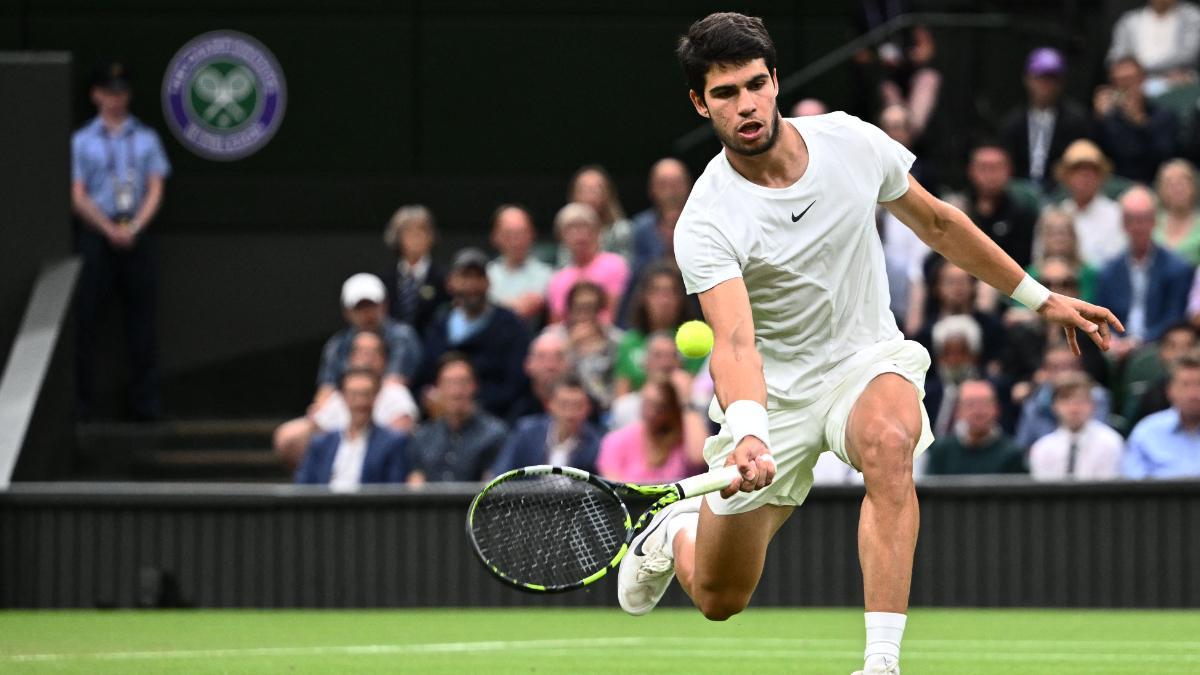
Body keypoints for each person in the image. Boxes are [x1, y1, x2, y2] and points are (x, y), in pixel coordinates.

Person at [617, 13, 1121, 675]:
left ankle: (880, 663)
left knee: (890, 444)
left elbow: (940, 223)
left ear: (775, 81)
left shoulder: (850, 142)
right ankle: (673, 530)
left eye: (755, 84)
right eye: (724, 93)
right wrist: (747, 430)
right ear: (699, 102)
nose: (746, 105)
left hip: (867, 358)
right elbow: (736, 342)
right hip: (778, 394)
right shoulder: (708, 217)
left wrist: (1040, 296)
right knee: (718, 596)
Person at [71, 61, 171, 421]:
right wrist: (107, 228)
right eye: (109, 92)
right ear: (96, 95)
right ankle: (82, 406)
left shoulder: (146, 138)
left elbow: (156, 188)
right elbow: (78, 194)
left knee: (142, 323)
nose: (116, 99)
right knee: (85, 322)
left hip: (137, 236)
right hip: (97, 236)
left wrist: (135, 228)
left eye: (122, 92)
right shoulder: (81, 141)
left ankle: (145, 406)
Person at [274, 330, 419, 470]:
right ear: (350, 358)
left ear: (384, 360)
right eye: (361, 352)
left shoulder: (395, 393)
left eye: (373, 353)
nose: (367, 358)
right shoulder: (337, 396)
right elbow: (318, 431)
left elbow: (399, 443)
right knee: (290, 436)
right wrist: (314, 423)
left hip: (375, 469)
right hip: (337, 460)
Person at [417, 248, 530, 419]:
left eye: (477, 277)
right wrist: (429, 397)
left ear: (488, 282)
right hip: (440, 419)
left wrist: (469, 404)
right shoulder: (439, 323)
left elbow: (516, 385)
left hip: (494, 420)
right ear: (451, 282)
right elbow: (424, 376)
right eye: (464, 277)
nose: (471, 285)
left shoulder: (509, 324)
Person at [1095, 186, 1192, 352]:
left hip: (1159, 346)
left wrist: (1137, 343)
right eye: (1131, 219)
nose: (1138, 226)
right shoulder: (1108, 270)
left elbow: (1173, 319)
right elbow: (1100, 315)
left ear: (1154, 221)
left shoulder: (1177, 268)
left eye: (1144, 219)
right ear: (1123, 224)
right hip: (1115, 346)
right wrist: (1114, 341)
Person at [294, 367, 412, 489]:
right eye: (354, 395)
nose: (360, 402)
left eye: (366, 394)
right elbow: (303, 487)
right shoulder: (321, 444)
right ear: (343, 397)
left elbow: (395, 491)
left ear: (377, 396)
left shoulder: (393, 443)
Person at [315, 273, 423, 402]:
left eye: (372, 305)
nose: (367, 313)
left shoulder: (403, 337)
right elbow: (326, 389)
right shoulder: (336, 345)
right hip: (346, 409)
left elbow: (396, 382)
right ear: (346, 312)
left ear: (384, 305)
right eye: (359, 307)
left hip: (393, 408)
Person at [999, 48, 1091, 191]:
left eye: (1051, 79)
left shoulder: (1077, 121)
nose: (1045, 85)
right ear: (1028, 79)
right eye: (1040, 78)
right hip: (1020, 190)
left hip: (1063, 191)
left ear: (1061, 83)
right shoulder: (1013, 122)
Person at [408, 355, 508, 483]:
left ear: (474, 386)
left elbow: (493, 486)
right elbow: (415, 487)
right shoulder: (423, 436)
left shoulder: (494, 435)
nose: (456, 391)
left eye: (463, 383)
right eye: (449, 383)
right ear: (438, 387)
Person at [614, 264, 702, 397]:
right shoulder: (629, 342)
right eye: (656, 291)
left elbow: (696, 392)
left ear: (681, 299)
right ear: (643, 298)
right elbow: (621, 396)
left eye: (671, 292)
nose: (664, 300)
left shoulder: (695, 340)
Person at [596, 379, 707, 482]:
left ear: (672, 409)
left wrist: (687, 403)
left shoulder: (682, 439)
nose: (651, 412)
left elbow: (700, 457)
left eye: (659, 406)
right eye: (646, 403)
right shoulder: (617, 440)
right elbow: (612, 487)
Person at [490, 376, 602, 476]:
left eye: (577, 406)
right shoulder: (526, 432)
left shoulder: (597, 443)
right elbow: (501, 472)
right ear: (550, 404)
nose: (570, 413)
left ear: (588, 408)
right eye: (564, 405)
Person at [1093, 57, 1179, 184]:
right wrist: (1098, 119)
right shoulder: (1108, 118)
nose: (1126, 86)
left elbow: (1165, 157)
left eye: (1130, 79)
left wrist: (1140, 123)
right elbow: (1096, 156)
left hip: (1154, 183)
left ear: (1143, 79)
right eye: (1120, 81)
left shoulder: (1163, 115)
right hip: (1115, 185)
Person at [1028, 371, 1124, 480]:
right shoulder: (1042, 448)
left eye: (1080, 401)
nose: (1074, 409)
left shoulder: (1110, 442)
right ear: (1054, 406)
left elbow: (1108, 491)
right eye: (1066, 401)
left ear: (1092, 405)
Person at [1013, 345, 1112, 450]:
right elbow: (1022, 447)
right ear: (1045, 372)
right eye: (1056, 367)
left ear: (1080, 368)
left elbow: (1100, 440)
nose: (1064, 373)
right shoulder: (1034, 403)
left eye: (1070, 366)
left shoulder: (1097, 397)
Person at [545, 202, 630, 324]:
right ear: (562, 237)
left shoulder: (615, 264)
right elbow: (556, 325)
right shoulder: (558, 279)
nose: (579, 235)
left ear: (597, 232)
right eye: (571, 229)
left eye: (584, 227)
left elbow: (614, 314)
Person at [923, 380, 1027, 476]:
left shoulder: (1013, 453)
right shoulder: (941, 451)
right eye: (970, 405)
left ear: (997, 409)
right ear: (958, 411)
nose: (978, 412)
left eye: (985, 404)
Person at [546, 281, 623, 412]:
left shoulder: (616, 340)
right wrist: (570, 346)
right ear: (570, 309)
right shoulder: (553, 337)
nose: (585, 314)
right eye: (580, 308)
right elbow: (547, 380)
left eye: (592, 307)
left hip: (605, 409)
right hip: (563, 406)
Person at [1123, 355, 1200, 478]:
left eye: (1198, 385)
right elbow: (1133, 487)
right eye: (1185, 385)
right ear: (1170, 391)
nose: (1193, 394)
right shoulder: (1147, 431)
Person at [1054, 140, 1127, 267]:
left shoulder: (1117, 214)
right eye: (1077, 170)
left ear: (1100, 177)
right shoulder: (1057, 215)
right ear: (1066, 176)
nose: (1085, 175)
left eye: (1092, 170)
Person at [963, 143, 1037, 268]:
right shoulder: (958, 210)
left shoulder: (1023, 216)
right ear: (971, 171)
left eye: (996, 168)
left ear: (1009, 171)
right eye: (983, 167)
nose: (990, 175)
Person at [1106, 0, 1200, 96]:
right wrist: (1134, 73)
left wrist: (1140, 69)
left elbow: (1188, 55)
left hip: (1177, 81)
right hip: (1136, 83)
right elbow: (1116, 57)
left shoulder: (1192, 16)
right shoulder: (1129, 21)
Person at [381, 205, 449, 336]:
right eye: (408, 232)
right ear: (397, 238)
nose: (415, 237)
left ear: (431, 237)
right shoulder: (385, 279)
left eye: (422, 230)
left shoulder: (444, 277)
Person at [610, 331, 694, 430]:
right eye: (657, 355)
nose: (666, 363)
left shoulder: (695, 405)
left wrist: (687, 403)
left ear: (680, 364)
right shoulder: (624, 408)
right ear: (645, 362)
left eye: (673, 355)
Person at [486, 204, 553, 324]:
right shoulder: (486, 274)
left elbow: (526, 309)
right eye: (509, 234)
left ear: (532, 234)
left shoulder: (547, 275)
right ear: (495, 237)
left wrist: (496, 306)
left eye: (521, 233)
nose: (516, 240)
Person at [630, 158, 693, 278]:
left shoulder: (704, 223)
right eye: (663, 184)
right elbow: (638, 276)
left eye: (676, 184)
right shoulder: (640, 228)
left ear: (688, 185)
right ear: (652, 188)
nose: (671, 191)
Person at [565, 165, 636, 265]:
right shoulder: (568, 232)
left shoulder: (621, 230)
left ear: (607, 194)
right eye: (583, 190)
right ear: (574, 195)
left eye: (595, 189)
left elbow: (626, 268)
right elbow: (563, 268)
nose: (589, 196)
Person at [1029, 210, 1098, 302]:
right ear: (1042, 237)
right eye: (1052, 233)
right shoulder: (1031, 274)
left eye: (1063, 233)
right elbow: (1020, 310)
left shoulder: (1089, 274)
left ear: (1074, 236)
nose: (1058, 239)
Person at [505, 330, 571, 423]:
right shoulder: (513, 408)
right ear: (528, 365)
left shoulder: (587, 411)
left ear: (569, 365)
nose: (550, 365)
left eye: (558, 357)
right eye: (542, 357)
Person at [1153, 159, 1200, 265]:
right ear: (1160, 189)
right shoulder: (1151, 223)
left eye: (1182, 182)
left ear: (1194, 187)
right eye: (1169, 183)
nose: (1177, 188)